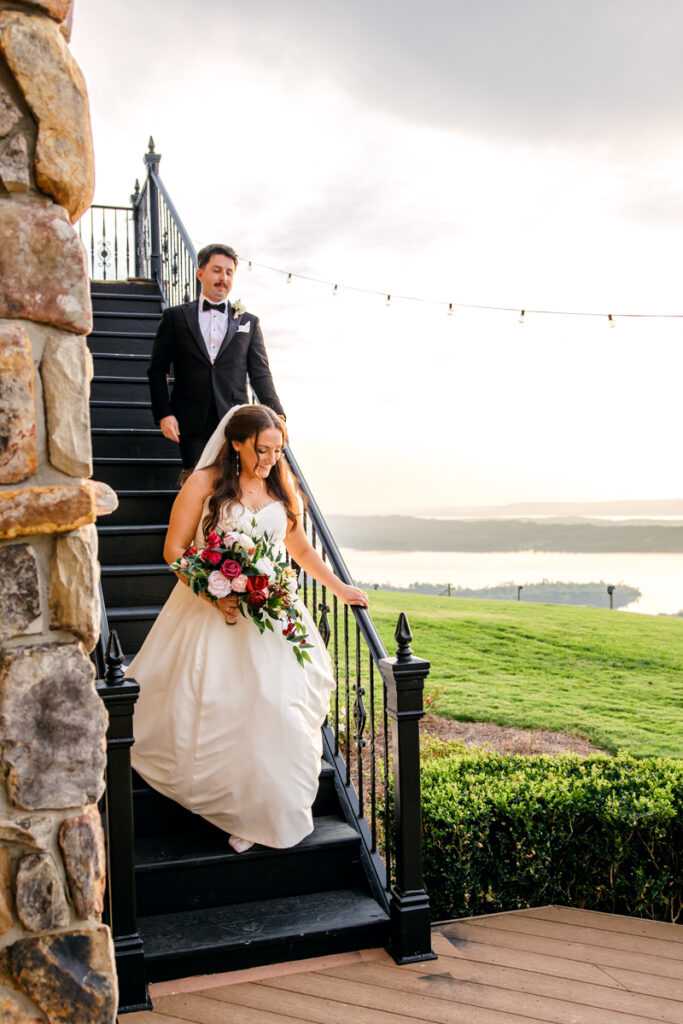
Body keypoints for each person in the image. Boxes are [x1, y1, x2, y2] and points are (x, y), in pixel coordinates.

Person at [128, 405, 368, 853]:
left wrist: (339, 587)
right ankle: (233, 806)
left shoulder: (281, 485)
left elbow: (297, 547)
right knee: (226, 707)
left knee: (281, 705)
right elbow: (175, 551)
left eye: (278, 450)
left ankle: (266, 808)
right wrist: (213, 590)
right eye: (262, 450)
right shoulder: (203, 484)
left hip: (275, 613)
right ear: (236, 442)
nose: (270, 459)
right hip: (214, 611)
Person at [147, 243, 285, 469]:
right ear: (200, 273)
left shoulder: (248, 322)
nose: (224, 278)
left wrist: (278, 415)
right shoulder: (175, 318)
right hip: (191, 421)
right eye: (217, 270)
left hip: (238, 421)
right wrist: (164, 414)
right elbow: (157, 369)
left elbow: (260, 374)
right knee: (198, 486)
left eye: (229, 273)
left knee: (234, 488)